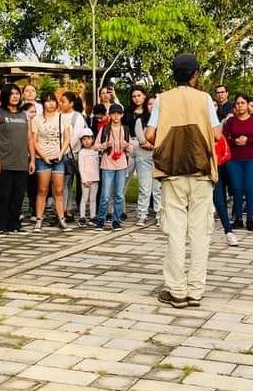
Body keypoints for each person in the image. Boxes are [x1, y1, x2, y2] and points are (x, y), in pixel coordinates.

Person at [145, 54, 221, 309]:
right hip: (201, 170)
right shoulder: (205, 98)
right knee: (200, 233)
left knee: (175, 232)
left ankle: (176, 290)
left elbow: (149, 133)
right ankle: (195, 291)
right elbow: (217, 133)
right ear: (194, 75)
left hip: (172, 170)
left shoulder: (162, 100)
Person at [0, 85, 32, 235]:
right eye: (12, 94)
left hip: (21, 162)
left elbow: (30, 139)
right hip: (3, 161)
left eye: (17, 94)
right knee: (2, 195)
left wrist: (31, 159)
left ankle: (14, 224)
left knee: (18, 195)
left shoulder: (25, 115)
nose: (15, 96)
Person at [222, 94, 253, 231]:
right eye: (237, 103)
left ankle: (249, 219)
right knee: (237, 189)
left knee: (249, 188)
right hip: (234, 159)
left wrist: (248, 140)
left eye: (243, 103)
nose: (240, 105)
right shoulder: (230, 122)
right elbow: (223, 138)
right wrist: (234, 141)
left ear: (248, 104)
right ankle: (237, 218)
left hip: (251, 159)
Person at [30, 92, 72, 231]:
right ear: (43, 103)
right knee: (42, 189)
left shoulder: (62, 118)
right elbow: (34, 141)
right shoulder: (36, 119)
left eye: (53, 100)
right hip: (42, 158)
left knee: (59, 190)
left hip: (58, 157)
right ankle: (39, 218)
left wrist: (61, 153)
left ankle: (61, 218)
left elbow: (67, 138)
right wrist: (42, 156)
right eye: (48, 101)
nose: (51, 104)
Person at [94, 104, 132, 231]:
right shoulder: (105, 129)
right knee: (105, 195)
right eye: (113, 113)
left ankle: (116, 220)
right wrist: (105, 145)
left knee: (119, 195)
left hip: (121, 164)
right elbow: (96, 146)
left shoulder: (125, 129)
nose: (116, 116)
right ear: (109, 115)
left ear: (122, 115)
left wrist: (127, 146)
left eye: (118, 113)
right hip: (107, 165)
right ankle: (101, 219)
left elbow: (131, 148)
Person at [134, 95, 162, 225]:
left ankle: (159, 214)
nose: (152, 106)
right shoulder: (141, 120)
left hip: (158, 157)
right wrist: (152, 145)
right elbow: (141, 140)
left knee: (158, 188)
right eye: (149, 104)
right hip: (143, 157)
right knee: (144, 187)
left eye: (154, 104)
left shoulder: (164, 120)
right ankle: (142, 214)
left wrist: (155, 146)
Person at [59, 91, 86, 221]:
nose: (60, 104)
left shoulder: (77, 117)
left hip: (74, 155)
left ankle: (75, 210)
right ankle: (64, 210)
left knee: (75, 182)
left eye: (63, 101)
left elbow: (74, 137)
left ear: (71, 103)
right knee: (64, 184)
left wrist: (63, 151)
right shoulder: (58, 116)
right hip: (60, 155)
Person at [77, 128, 100, 227]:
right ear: (81, 141)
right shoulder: (82, 152)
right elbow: (81, 167)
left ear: (93, 139)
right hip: (86, 179)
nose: (87, 141)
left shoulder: (95, 151)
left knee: (93, 199)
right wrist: (84, 179)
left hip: (95, 178)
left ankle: (93, 216)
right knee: (84, 198)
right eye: (84, 139)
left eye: (89, 139)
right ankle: (82, 217)